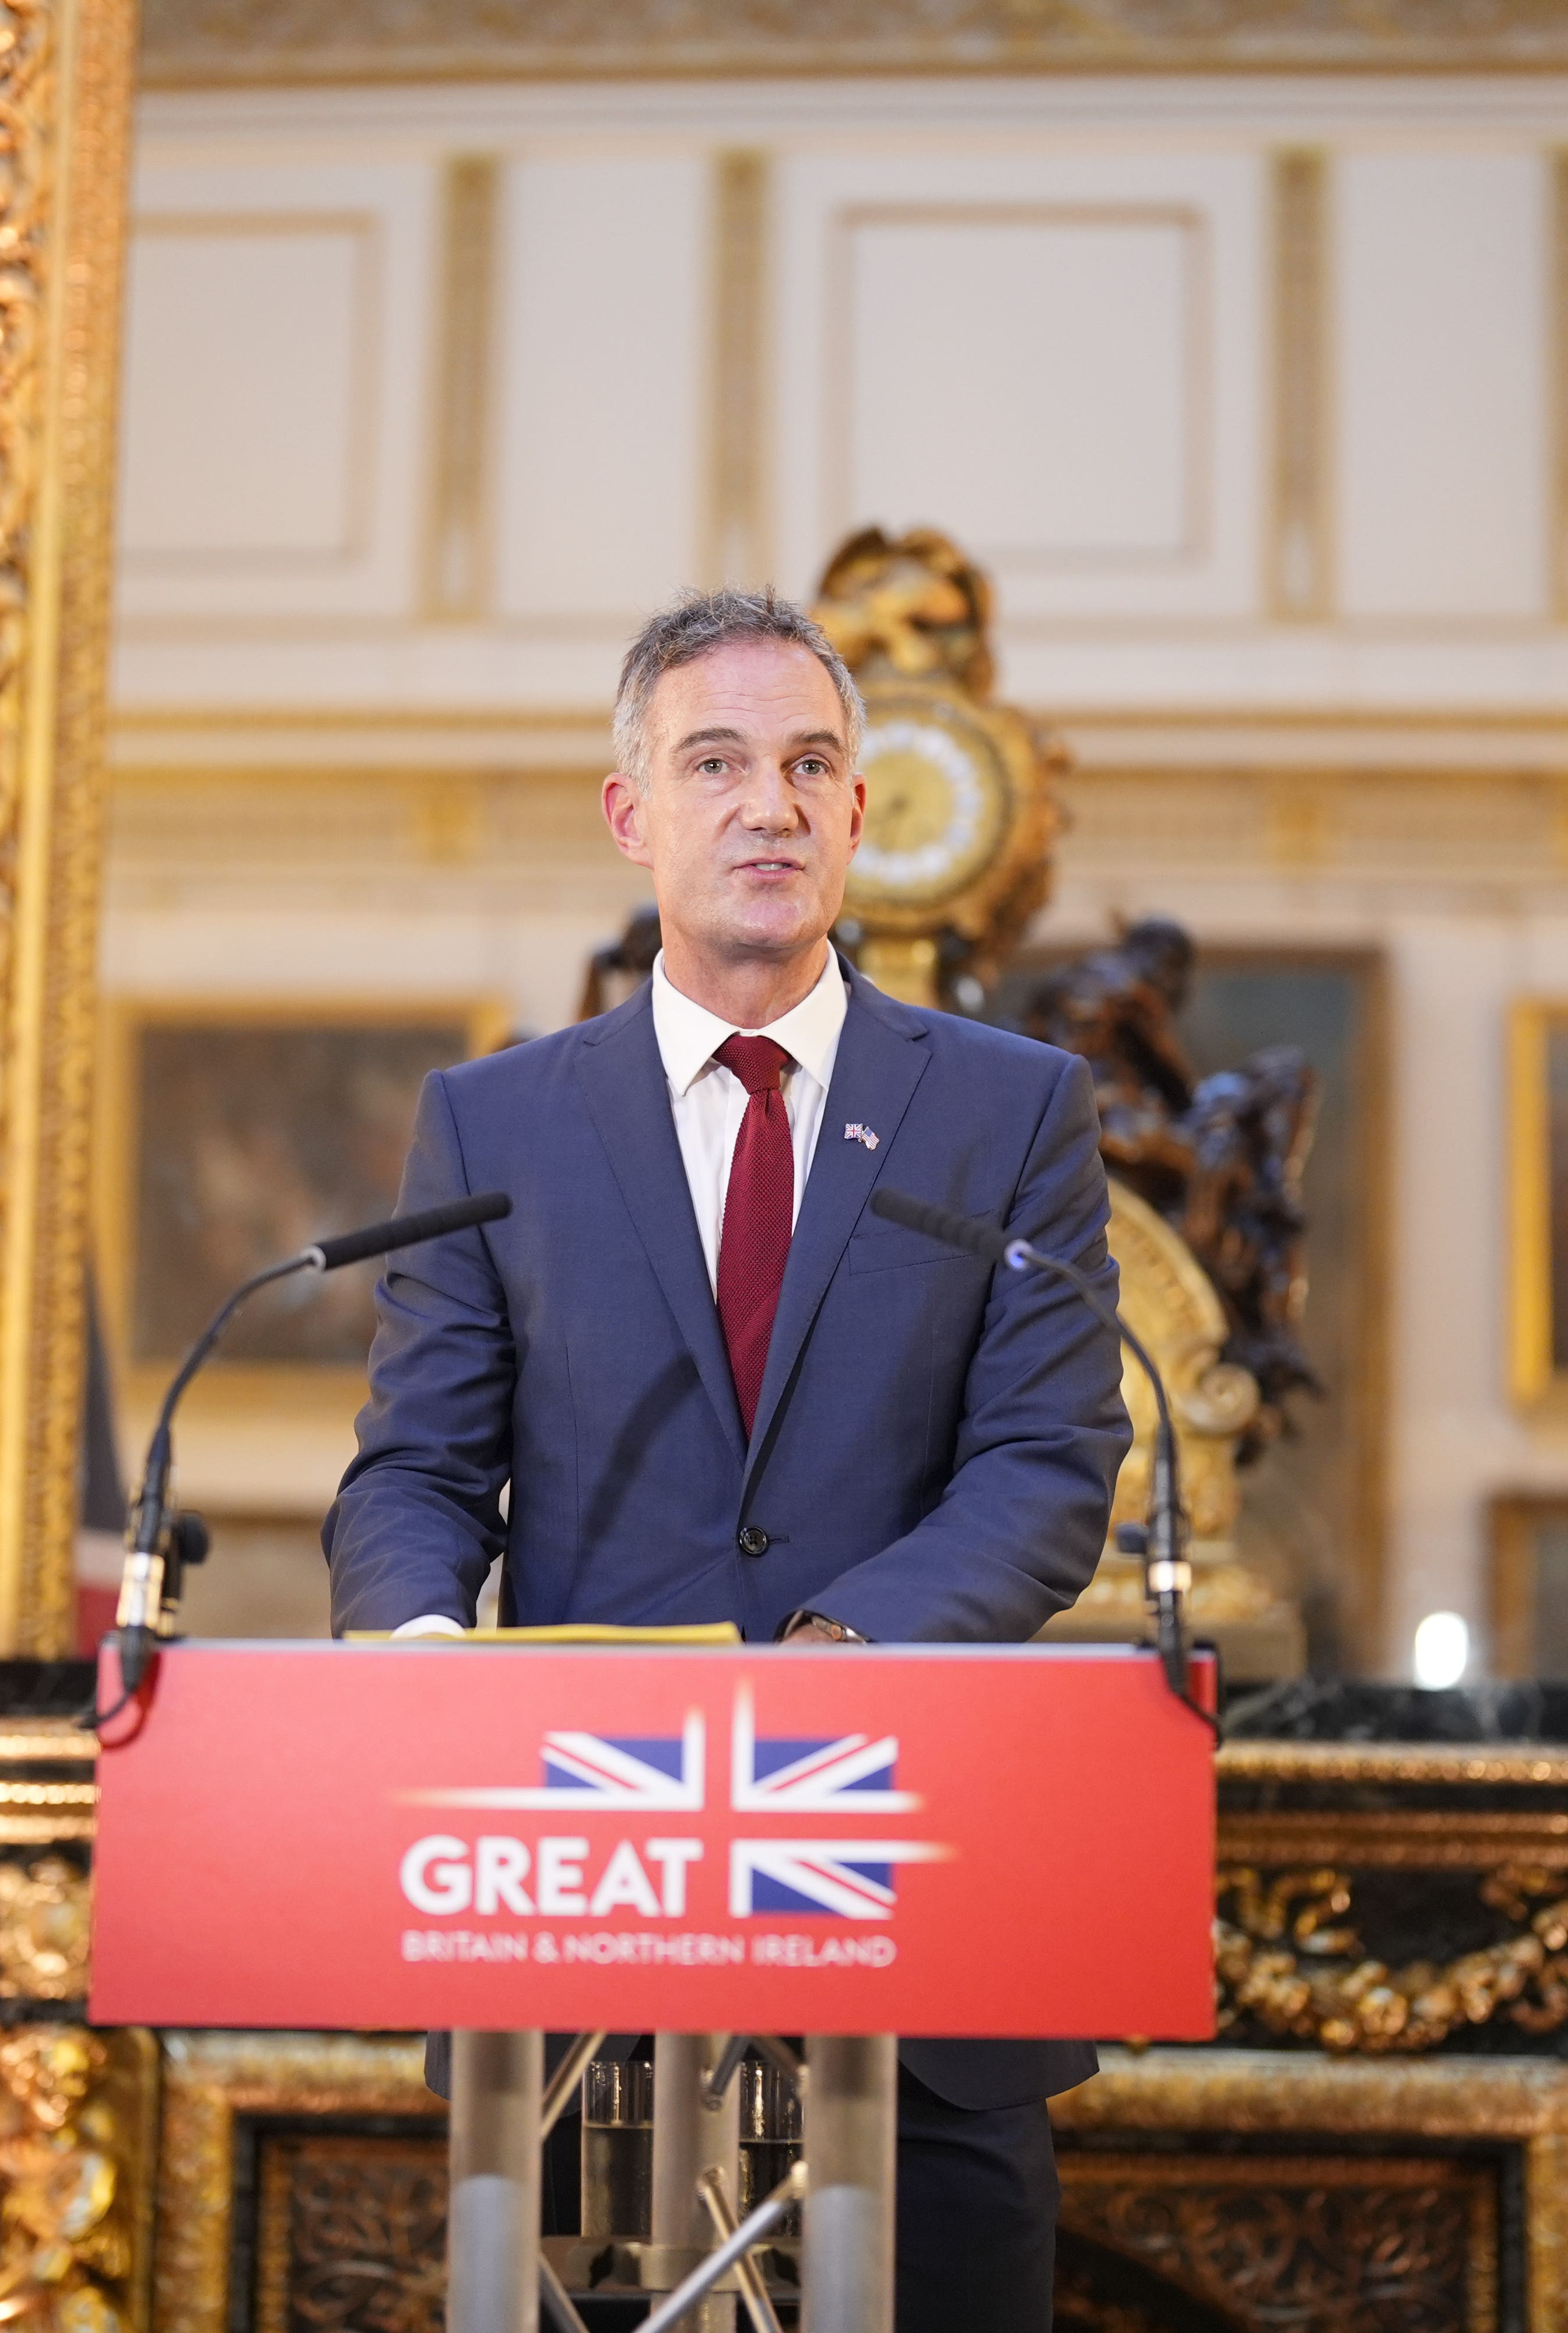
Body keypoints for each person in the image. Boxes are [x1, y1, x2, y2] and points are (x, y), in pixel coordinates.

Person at [323, 588, 1131, 2328]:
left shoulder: (1011, 1112)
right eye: (718, 763)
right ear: (636, 814)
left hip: (921, 1931)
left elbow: (1050, 1459)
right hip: (602, 1940)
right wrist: (418, 1662)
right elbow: (416, 1476)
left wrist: (837, 1657)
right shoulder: (497, 1124)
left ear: (857, 814)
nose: (769, 804)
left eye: (810, 766)